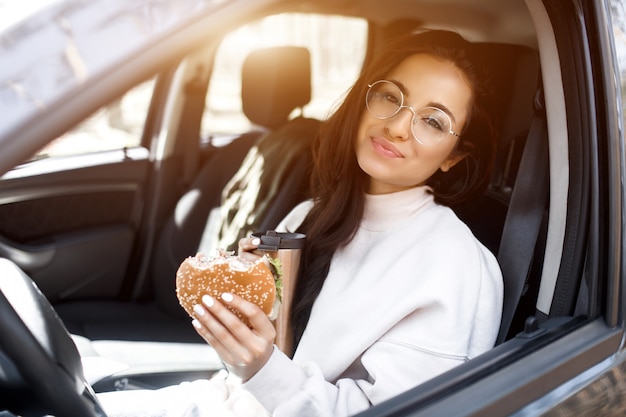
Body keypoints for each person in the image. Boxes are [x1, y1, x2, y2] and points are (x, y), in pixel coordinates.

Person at [98, 29, 503, 417]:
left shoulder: (455, 264)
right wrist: (248, 324)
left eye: (433, 121)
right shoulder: (310, 215)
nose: (397, 127)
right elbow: (251, 379)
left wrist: (261, 367)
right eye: (389, 97)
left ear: (455, 155)